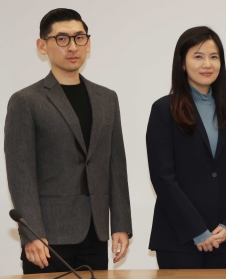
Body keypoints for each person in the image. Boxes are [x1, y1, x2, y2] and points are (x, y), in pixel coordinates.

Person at [4, 8, 132, 274]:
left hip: (96, 234)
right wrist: (32, 233)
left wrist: (120, 224)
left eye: (79, 38)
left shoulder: (107, 99)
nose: (72, 46)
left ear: (88, 43)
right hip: (48, 238)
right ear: (43, 46)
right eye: (62, 39)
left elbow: (115, 165)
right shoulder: (26, 101)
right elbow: (21, 173)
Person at [146, 26, 226, 269]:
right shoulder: (164, 110)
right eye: (198, 56)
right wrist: (196, 230)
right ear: (182, 63)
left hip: (222, 240)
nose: (207, 64)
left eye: (214, 57)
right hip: (179, 240)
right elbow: (163, 178)